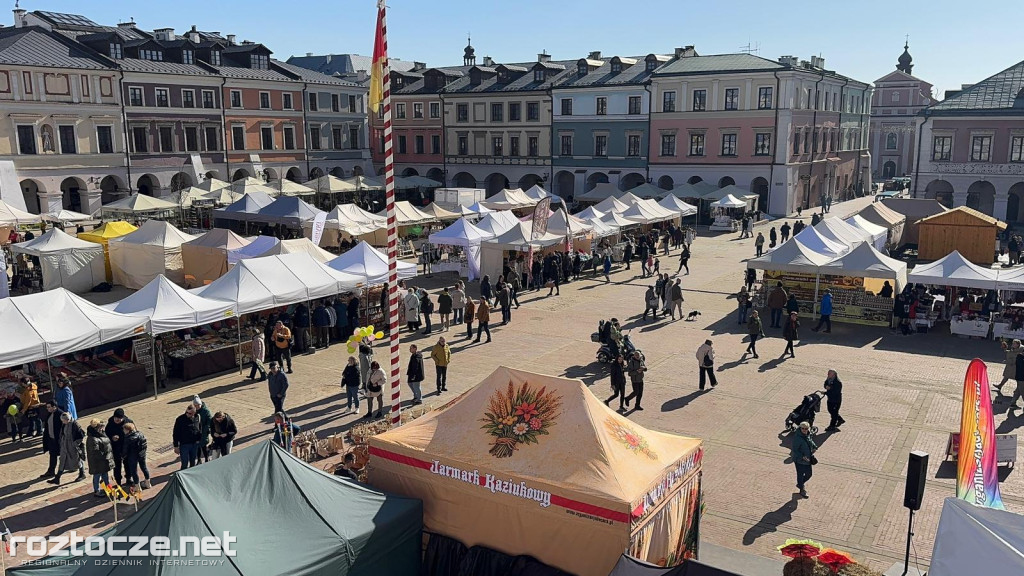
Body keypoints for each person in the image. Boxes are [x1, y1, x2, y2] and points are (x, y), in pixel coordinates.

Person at [49, 411, 85, 485]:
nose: (63, 422)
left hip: (72, 446)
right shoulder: (64, 424)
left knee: (76, 460)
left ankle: (82, 473)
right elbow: (62, 434)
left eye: (64, 420)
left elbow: (81, 435)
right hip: (65, 446)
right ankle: (57, 477)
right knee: (62, 461)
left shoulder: (75, 425)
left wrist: (75, 444)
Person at [85, 418, 114, 497]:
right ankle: (96, 491)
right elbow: (95, 452)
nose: (102, 429)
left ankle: (108, 488)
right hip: (97, 461)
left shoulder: (101, 433)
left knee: (105, 474)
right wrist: (105, 456)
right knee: (97, 476)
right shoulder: (93, 438)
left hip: (104, 460)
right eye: (101, 427)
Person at [104, 408, 132, 486]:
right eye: (116, 418)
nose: (117, 420)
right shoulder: (110, 424)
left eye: (119, 419)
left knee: (127, 464)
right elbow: (106, 435)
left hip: (126, 447)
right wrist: (112, 438)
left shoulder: (128, 422)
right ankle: (118, 481)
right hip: (115, 448)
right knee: (117, 466)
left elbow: (133, 433)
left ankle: (129, 478)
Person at [172, 403, 202, 470]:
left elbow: (199, 428)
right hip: (184, 444)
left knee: (193, 462)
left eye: (190, 413)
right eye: (187, 412)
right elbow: (175, 433)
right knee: (184, 463)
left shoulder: (197, 417)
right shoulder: (180, 419)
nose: (188, 414)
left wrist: (199, 439)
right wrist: (176, 446)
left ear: (194, 412)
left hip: (194, 444)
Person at [39, 402, 65, 479]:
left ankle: (77, 468)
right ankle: (51, 471)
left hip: (60, 440)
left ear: (54, 407)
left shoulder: (61, 414)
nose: (47, 409)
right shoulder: (49, 415)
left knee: (66, 455)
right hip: (52, 439)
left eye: (49, 407)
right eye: (47, 407)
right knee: (53, 455)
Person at [791, 421, 817, 498]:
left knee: (809, 474)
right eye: (803, 428)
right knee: (800, 475)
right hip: (799, 460)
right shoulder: (797, 438)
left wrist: (814, 446)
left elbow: (810, 440)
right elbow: (795, 450)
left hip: (808, 459)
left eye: (806, 428)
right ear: (800, 428)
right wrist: (802, 456)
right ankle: (802, 489)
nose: (804, 430)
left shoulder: (808, 434)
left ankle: (800, 484)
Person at [121, 422, 150, 489]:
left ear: (127, 430)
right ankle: (148, 483)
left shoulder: (128, 438)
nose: (123, 431)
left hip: (132, 457)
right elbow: (145, 445)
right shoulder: (140, 434)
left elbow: (125, 450)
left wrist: (123, 456)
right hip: (142, 455)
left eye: (124, 429)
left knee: (134, 471)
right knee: (144, 468)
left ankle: (137, 486)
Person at [192, 395, 213, 463]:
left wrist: (206, 429)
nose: (197, 407)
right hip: (196, 431)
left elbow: (209, 421)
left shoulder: (206, 411)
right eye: (195, 405)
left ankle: (207, 458)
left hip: (204, 431)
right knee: (197, 446)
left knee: (204, 446)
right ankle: (198, 459)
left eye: (198, 405)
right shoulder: (193, 410)